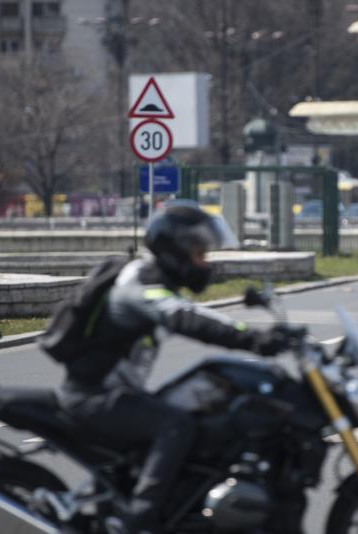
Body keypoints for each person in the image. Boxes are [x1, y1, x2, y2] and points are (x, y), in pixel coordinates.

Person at [56, 202, 288, 534]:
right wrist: (252, 338)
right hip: (94, 397)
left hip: (117, 394)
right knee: (176, 425)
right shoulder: (139, 281)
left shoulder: (154, 279)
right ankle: (138, 520)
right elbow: (185, 316)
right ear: (175, 249)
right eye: (199, 254)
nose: (203, 263)